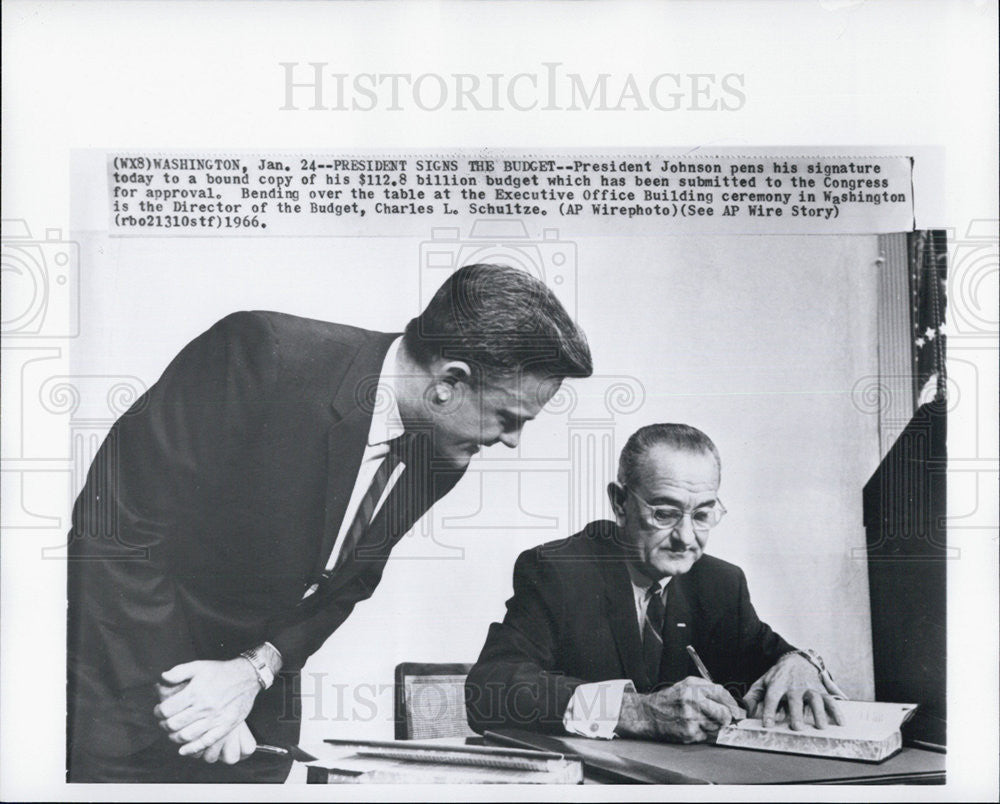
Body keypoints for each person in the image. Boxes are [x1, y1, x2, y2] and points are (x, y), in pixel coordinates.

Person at [66, 263, 592, 782]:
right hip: (130, 704)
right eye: (508, 418)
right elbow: (114, 530)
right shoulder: (262, 355)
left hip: (257, 717)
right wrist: (191, 697)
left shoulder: (443, 451)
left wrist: (253, 672)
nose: (511, 441)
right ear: (450, 382)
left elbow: (350, 580)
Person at [465, 423, 844, 743]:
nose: (685, 537)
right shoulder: (559, 569)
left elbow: (776, 656)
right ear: (619, 503)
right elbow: (489, 689)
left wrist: (801, 662)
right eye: (664, 513)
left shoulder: (720, 583)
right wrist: (635, 711)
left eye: (702, 514)